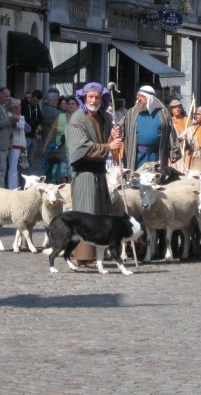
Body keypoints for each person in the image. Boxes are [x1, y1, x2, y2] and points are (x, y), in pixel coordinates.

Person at [65, 82, 123, 266]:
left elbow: (104, 142)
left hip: (99, 172)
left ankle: (97, 254)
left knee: (100, 214)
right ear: (84, 98)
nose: (94, 100)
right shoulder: (77, 119)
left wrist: (112, 136)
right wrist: (108, 146)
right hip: (84, 173)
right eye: (90, 97)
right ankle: (83, 256)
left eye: (97, 97)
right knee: (86, 214)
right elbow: (81, 147)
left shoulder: (104, 117)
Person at [118, 85, 180, 171]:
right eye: (138, 96)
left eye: (142, 96)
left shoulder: (163, 112)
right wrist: (116, 130)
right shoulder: (132, 112)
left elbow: (171, 132)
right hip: (136, 156)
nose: (139, 99)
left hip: (157, 155)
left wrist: (174, 152)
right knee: (136, 180)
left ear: (151, 98)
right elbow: (120, 127)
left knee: (155, 180)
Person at [42, 97, 79, 183]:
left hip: (74, 152)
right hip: (60, 151)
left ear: (77, 106)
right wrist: (44, 147)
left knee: (71, 176)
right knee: (60, 175)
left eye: (73, 104)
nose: (70, 105)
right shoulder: (59, 117)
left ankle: (70, 194)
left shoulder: (80, 119)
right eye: (68, 103)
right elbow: (51, 132)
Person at [6, 98, 26, 190]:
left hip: (20, 145)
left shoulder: (21, 117)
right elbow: (20, 126)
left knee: (18, 168)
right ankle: (12, 187)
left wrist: (24, 146)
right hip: (13, 145)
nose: (20, 108)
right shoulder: (8, 115)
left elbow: (22, 129)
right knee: (12, 167)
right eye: (18, 106)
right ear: (14, 107)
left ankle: (16, 185)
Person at [20, 90, 42, 170]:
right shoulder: (24, 104)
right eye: (35, 100)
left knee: (31, 160)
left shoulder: (36, 106)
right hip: (26, 135)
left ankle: (29, 176)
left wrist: (35, 126)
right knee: (23, 159)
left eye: (38, 101)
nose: (35, 102)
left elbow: (40, 119)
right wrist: (35, 126)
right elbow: (26, 120)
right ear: (31, 97)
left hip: (33, 135)